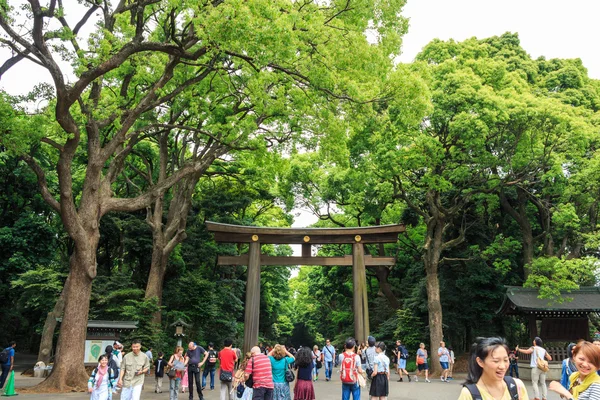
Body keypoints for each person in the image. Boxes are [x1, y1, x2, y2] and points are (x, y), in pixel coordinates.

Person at [457, 337, 529, 400]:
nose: (502, 366)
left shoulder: (517, 387)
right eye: (496, 361)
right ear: (480, 362)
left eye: (506, 360)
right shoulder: (469, 394)